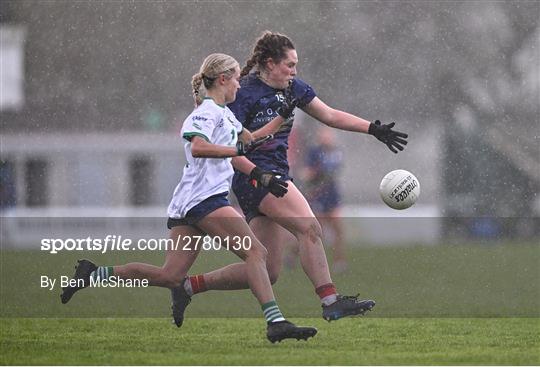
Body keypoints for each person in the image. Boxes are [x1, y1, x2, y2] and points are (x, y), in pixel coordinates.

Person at [60, 53, 317, 343]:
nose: (238, 86)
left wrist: (278, 130)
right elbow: (199, 147)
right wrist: (237, 152)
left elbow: (250, 141)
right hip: (205, 200)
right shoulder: (206, 113)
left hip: (189, 202)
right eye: (234, 79)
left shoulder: (226, 114)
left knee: (171, 276)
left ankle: (94, 273)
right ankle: (275, 322)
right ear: (222, 80)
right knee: (256, 253)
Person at [171, 31, 408, 323]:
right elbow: (228, 145)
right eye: (289, 65)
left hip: (274, 176)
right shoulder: (241, 92)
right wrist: (258, 173)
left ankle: (188, 286)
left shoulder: (293, 89)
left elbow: (330, 115)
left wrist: (373, 129)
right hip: (256, 177)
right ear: (269, 64)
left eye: (296, 65)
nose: (294, 71)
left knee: (268, 270)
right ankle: (330, 301)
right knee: (309, 228)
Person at [301, 126, 347, 273]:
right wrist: (318, 173)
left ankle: (339, 261)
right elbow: (307, 174)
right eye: (324, 134)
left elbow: (337, 170)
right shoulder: (315, 152)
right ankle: (297, 254)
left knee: (337, 228)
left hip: (332, 194)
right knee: (315, 231)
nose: (327, 137)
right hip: (318, 194)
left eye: (330, 135)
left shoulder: (336, 152)